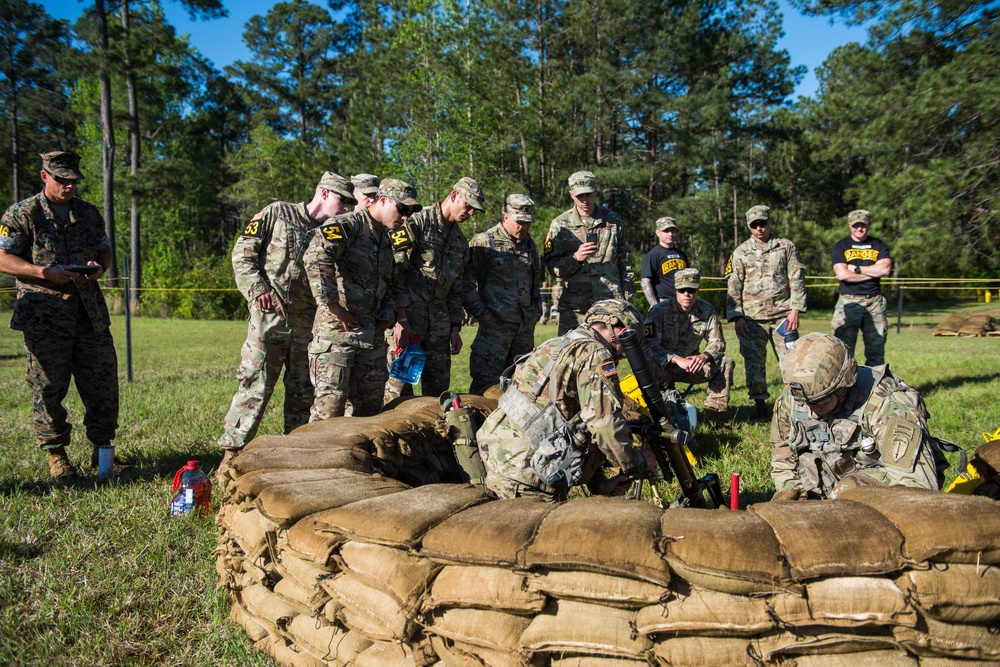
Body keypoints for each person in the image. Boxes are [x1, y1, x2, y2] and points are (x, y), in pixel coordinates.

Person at [218, 172, 356, 458]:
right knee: (255, 387)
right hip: (270, 320)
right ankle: (232, 453)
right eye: (343, 201)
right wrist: (258, 291)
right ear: (324, 192)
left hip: (308, 325)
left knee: (302, 394)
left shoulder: (333, 232)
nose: (347, 208)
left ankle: (293, 455)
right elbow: (242, 253)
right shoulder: (278, 212)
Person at [0, 151, 118, 479]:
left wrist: (100, 266)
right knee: (48, 387)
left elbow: (104, 247)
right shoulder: (22, 213)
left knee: (103, 384)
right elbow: (2, 258)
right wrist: (41, 272)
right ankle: (57, 456)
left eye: (73, 181)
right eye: (62, 180)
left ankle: (103, 452)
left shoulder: (89, 213)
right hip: (44, 315)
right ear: (44, 176)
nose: (68, 187)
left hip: (89, 314)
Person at [477, 299, 657, 502]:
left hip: (496, 459)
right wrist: (637, 462)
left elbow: (568, 424)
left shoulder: (558, 343)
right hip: (527, 476)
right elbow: (605, 425)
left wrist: (600, 483)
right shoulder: (596, 354)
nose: (624, 355)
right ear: (621, 331)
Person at [770, 332, 945, 500]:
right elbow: (783, 461)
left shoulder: (888, 403)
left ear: (843, 386)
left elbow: (916, 488)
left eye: (821, 400)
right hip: (823, 493)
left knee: (847, 490)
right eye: (804, 402)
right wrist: (792, 499)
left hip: (876, 496)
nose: (811, 408)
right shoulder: (796, 396)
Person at [304, 178, 420, 419]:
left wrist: (392, 316)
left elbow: (388, 283)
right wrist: (332, 304)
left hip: (371, 337)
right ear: (384, 200)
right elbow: (316, 254)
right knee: (329, 412)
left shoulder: (386, 239)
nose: (406, 217)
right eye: (402, 209)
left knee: (369, 413)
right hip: (338, 335)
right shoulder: (349, 225)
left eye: (410, 212)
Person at [384, 177, 484, 401]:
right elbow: (395, 270)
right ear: (454, 195)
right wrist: (400, 319)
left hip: (439, 328)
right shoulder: (417, 222)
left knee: (438, 393)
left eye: (474, 210)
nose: (470, 214)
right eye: (468, 206)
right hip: (409, 323)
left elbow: (456, 288)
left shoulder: (459, 241)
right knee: (398, 393)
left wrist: (455, 327)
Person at [726, 205, 807, 421]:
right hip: (752, 320)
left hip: (783, 317)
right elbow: (734, 285)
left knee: (791, 361)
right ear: (748, 226)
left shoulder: (786, 247)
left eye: (763, 223)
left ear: (770, 222)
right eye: (754, 225)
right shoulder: (740, 252)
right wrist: (737, 316)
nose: (759, 228)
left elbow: (797, 278)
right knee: (754, 364)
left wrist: (795, 310)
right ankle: (760, 405)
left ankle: (795, 404)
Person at [464, 194, 543, 394]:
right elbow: (465, 282)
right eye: (519, 222)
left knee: (521, 385)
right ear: (505, 217)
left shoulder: (530, 245)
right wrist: (482, 314)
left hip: (523, 331)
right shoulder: (484, 242)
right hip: (494, 331)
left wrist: (536, 311)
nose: (523, 227)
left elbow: (535, 282)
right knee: (485, 386)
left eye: (527, 223)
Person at [543, 171, 634, 335]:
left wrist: (626, 300)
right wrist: (575, 258)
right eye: (580, 196)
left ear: (596, 192)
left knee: (607, 357)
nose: (585, 200)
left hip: (609, 304)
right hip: (575, 308)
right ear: (571, 195)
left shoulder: (613, 220)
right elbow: (552, 267)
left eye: (589, 194)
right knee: (570, 356)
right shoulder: (560, 225)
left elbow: (625, 262)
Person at [643, 269, 734, 426]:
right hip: (666, 367)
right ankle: (658, 414)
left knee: (725, 362)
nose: (687, 294)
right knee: (647, 365)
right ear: (675, 291)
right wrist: (675, 359)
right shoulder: (658, 311)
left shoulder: (706, 310)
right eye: (682, 290)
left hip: (693, 365)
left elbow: (718, 341)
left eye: (691, 290)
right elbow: (649, 346)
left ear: (698, 291)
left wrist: (704, 356)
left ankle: (712, 416)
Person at [830, 209, 892, 366]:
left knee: (876, 350)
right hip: (848, 301)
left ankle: (874, 387)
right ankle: (844, 388)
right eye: (855, 225)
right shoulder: (841, 246)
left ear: (869, 225)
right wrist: (873, 272)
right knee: (843, 351)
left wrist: (856, 269)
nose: (859, 228)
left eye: (863, 225)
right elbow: (843, 274)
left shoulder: (879, 245)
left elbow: (884, 270)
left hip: (874, 301)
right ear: (850, 225)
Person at [640, 216, 688, 307]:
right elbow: (645, 282)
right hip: (664, 303)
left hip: (683, 303)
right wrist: (655, 305)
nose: (670, 234)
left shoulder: (682, 254)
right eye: (666, 231)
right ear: (658, 232)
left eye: (672, 230)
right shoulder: (653, 255)